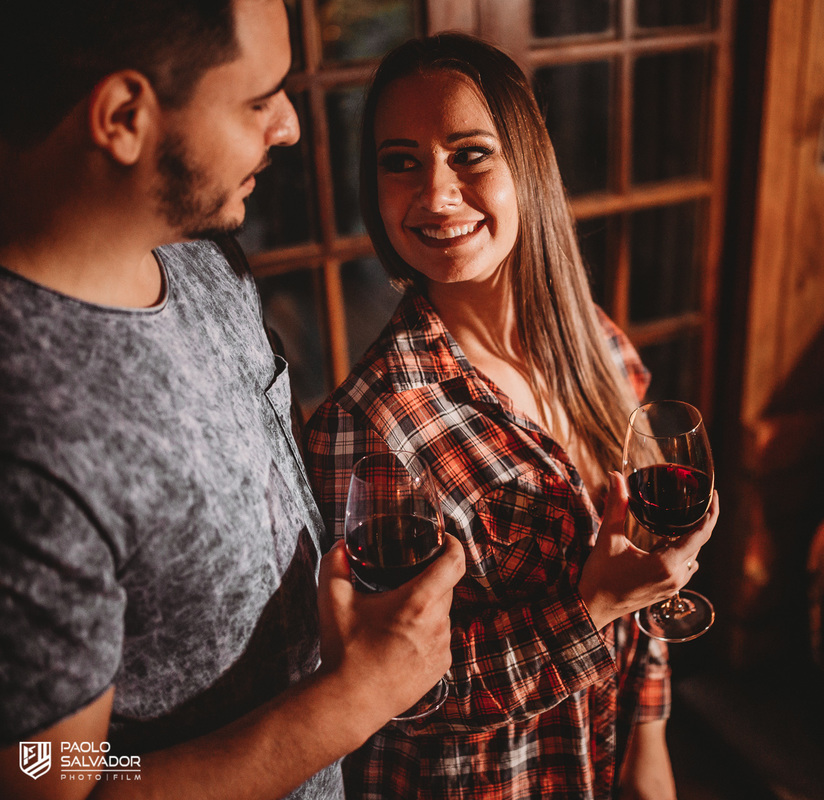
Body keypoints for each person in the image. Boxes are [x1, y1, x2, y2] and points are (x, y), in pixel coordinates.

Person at [0, 2, 464, 799]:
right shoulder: (30, 438)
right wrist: (355, 699)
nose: (288, 127)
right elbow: (45, 777)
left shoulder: (200, 255)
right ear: (123, 116)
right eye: (258, 101)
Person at [304, 33, 717, 800]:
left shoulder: (598, 343)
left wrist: (650, 747)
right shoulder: (371, 424)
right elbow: (394, 699)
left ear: (526, 161)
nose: (434, 194)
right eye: (400, 161)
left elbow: (644, 567)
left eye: (469, 153)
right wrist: (590, 608)